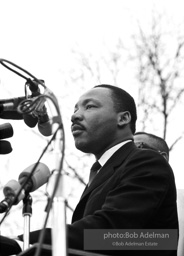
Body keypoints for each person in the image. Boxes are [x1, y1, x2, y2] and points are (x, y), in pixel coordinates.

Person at [18, 84, 178, 256]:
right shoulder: (101, 173)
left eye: (89, 106)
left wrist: (23, 241)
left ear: (123, 119)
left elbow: (110, 233)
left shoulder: (146, 161)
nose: (75, 116)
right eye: (75, 109)